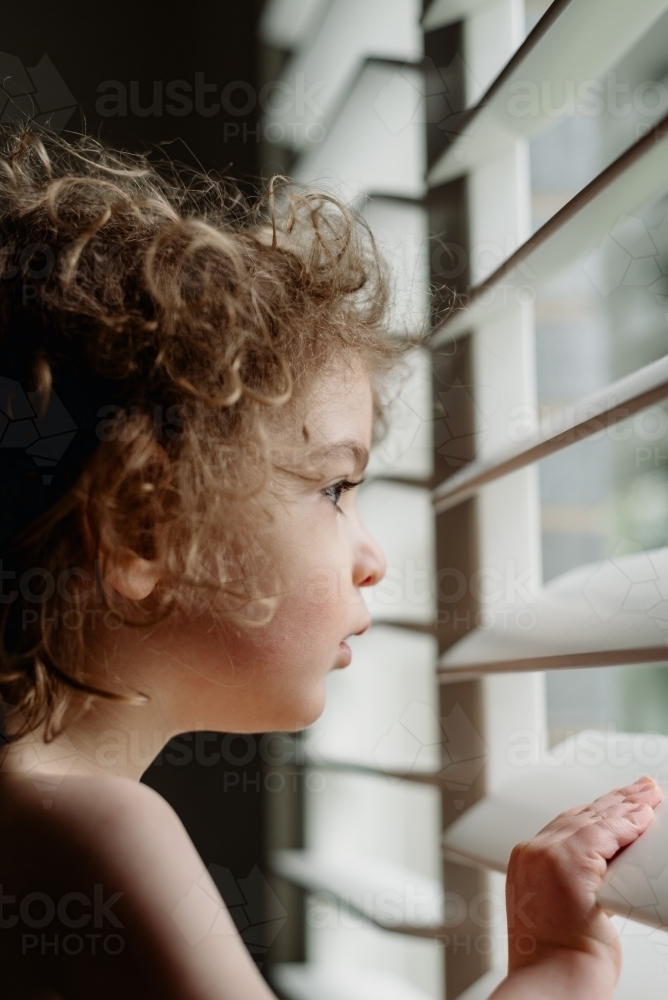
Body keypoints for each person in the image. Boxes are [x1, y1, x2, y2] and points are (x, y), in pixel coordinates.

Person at [0, 126, 661, 1000]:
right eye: (336, 488)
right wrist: (560, 965)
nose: (372, 557)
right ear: (143, 532)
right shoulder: (98, 833)